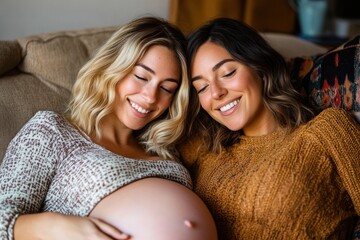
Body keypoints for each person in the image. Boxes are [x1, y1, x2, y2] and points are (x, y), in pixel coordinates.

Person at [0, 17, 217, 240]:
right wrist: (54, 227)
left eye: (167, 88)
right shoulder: (52, 131)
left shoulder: (166, 151)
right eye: (141, 77)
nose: (151, 97)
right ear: (111, 67)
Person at [181, 17, 360, 239]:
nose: (216, 93)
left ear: (260, 66)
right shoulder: (204, 149)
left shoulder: (327, 131)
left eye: (228, 73)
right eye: (202, 87)